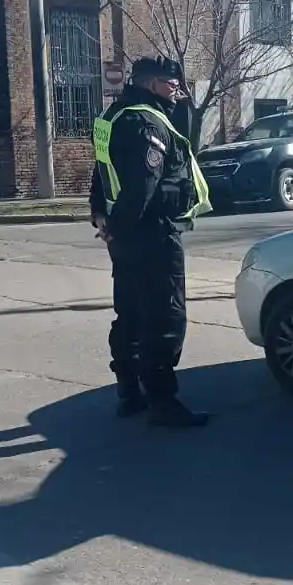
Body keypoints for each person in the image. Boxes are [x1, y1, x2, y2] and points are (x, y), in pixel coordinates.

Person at [90, 56, 212, 428]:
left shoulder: (111, 117)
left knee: (129, 312)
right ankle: (162, 401)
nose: (178, 89)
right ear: (149, 84)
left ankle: (129, 392)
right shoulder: (148, 122)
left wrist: (101, 216)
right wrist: (119, 226)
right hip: (152, 235)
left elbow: (100, 171)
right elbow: (142, 188)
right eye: (171, 83)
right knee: (164, 317)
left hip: (125, 237)